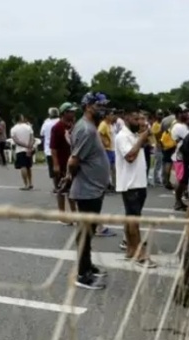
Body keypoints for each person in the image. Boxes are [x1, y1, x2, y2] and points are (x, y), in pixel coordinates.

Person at [68, 92, 112, 290]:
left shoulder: (89, 128)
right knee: (86, 231)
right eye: (99, 105)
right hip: (87, 189)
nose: (103, 109)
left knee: (90, 230)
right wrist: (72, 176)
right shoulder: (86, 130)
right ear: (88, 107)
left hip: (93, 188)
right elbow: (73, 161)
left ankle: (87, 265)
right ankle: (82, 274)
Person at [115, 108, 156, 268]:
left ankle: (131, 250)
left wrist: (145, 136)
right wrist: (142, 138)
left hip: (138, 182)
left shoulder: (134, 135)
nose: (140, 122)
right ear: (126, 118)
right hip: (130, 184)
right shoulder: (122, 136)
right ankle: (140, 255)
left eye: (141, 119)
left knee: (130, 217)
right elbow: (130, 157)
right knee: (134, 219)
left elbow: (151, 143)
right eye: (136, 119)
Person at [50, 102, 78, 219]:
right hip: (62, 162)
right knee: (61, 189)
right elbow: (53, 148)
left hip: (73, 162)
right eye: (71, 111)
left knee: (73, 189)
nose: (73, 113)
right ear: (65, 113)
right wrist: (56, 164)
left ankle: (74, 213)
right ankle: (62, 214)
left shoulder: (74, 125)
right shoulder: (57, 127)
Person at [171, 110, 189, 211]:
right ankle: (178, 201)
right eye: (184, 113)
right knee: (181, 180)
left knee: (183, 180)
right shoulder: (178, 126)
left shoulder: (184, 126)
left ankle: (179, 201)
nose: (187, 114)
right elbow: (188, 138)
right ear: (178, 114)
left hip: (185, 155)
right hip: (181, 156)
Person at [10, 114, 35, 190]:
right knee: (28, 167)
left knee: (23, 167)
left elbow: (16, 141)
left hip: (20, 150)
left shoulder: (13, 129)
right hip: (28, 150)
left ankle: (26, 184)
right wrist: (29, 147)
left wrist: (25, 145)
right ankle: (30, 183)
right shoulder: (28, 127)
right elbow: (32, 138)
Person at [41, 108, 60, 183]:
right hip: (60, 149)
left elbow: (42, 134)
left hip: (49, 149)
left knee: (52, 169)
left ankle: (56, 186)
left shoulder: (46, 123)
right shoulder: (61, 121)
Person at [98, 113, 116, 191]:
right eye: (111, 115)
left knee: (114, 169)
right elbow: (99, 133)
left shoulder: (110, 125)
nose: (112, 117)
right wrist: (104, 142)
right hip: (107, 150)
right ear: (106, 116)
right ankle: (106, 185)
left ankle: (113, 185)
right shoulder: (103, 124)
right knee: (107, 169)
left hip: (112, 149)